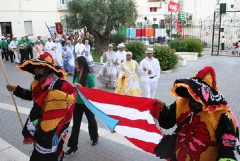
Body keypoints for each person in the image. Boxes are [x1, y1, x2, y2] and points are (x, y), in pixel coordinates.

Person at [156, 66, 239, 161]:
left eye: (199, 94)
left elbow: (229, 150)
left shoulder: (221, 116)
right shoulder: (180, 103)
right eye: (193, 92)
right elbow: (167, 123)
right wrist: (163, 109)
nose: (194, 97)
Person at [6, 52, 76, 161]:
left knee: (53, 152)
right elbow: (29, 94)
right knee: (39, 148)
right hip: (38, 122)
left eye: (38, 68)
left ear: (47, 69)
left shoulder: (61, 84)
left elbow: (71, 99)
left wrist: (53, 96)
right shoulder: (35, 83)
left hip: (55, 127)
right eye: (35, 68)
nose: (35, 70)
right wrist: (15, 89)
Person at [65, 56, 99, 156]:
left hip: (87, 104)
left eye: (76, 64)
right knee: (76, 125)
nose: (75, 66)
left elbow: (94, 90)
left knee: (91, 121)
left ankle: (94, 137)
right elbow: (75, 87)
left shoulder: (89, 76)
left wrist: (82, 88)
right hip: (77, 103)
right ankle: (73, 146)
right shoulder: (76, 74)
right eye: (75, 64)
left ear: (82, 65)